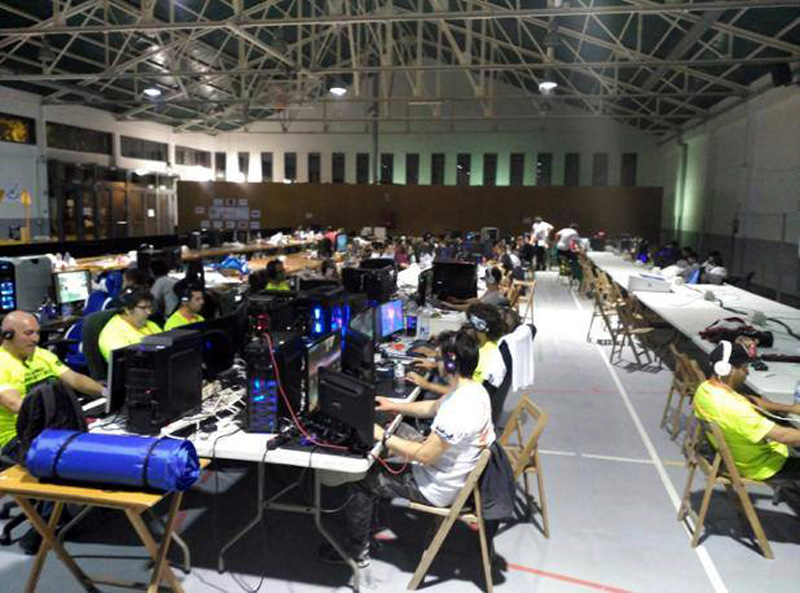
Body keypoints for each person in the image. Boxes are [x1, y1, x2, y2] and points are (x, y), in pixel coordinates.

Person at [320, 330, 495, 567]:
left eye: (439, 358)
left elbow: (424, 456)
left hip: (434, 486)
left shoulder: (459, 409)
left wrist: (383, 436)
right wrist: (395, 406)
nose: (435, 363)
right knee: (395, 427)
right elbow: (433, 406)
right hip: (446, 467)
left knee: (362, 479)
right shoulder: (472, 390)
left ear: (451, 362)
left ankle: (355, 550)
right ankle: (371, 522)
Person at [0, 311, 104, 460]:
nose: (36, 339)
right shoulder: (2, 364)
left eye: (37, 333)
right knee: (82, 460)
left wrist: (105, 391)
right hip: (17, 439)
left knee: (98, 447)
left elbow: (74, 379)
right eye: (29, 333)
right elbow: (16, 405)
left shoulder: (41, 355)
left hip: (50, 431)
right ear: (8, 335)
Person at [693, 341, 800, 484]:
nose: (747, 372)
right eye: (744, 368)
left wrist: (790, 409)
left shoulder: (705, 390)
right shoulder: (735, 410)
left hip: (733, 458)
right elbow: (784, 436)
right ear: (728, 369)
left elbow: (749, 399)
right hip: (760, 467)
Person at [407, 304, 507, 406]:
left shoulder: (486, 357)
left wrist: (427, 385)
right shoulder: (481, 345)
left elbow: (462, 393)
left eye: (468, 326)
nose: (464, 330)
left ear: (479, 328)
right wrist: (437, 364)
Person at [98, 287, 162, 362]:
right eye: (143, 308)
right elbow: (128, 365)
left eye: (149, 307)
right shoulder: (112, 334)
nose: (149, 312)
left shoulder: (150, 324)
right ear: (127, 309)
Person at [441, 267, 509, 310]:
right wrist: (459, 301)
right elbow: (478, 300)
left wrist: (451, 306)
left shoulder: (494, 297)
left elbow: (472, 307)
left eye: (486, 280)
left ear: (491, 280)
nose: (485, 282)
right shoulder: (492, 291)